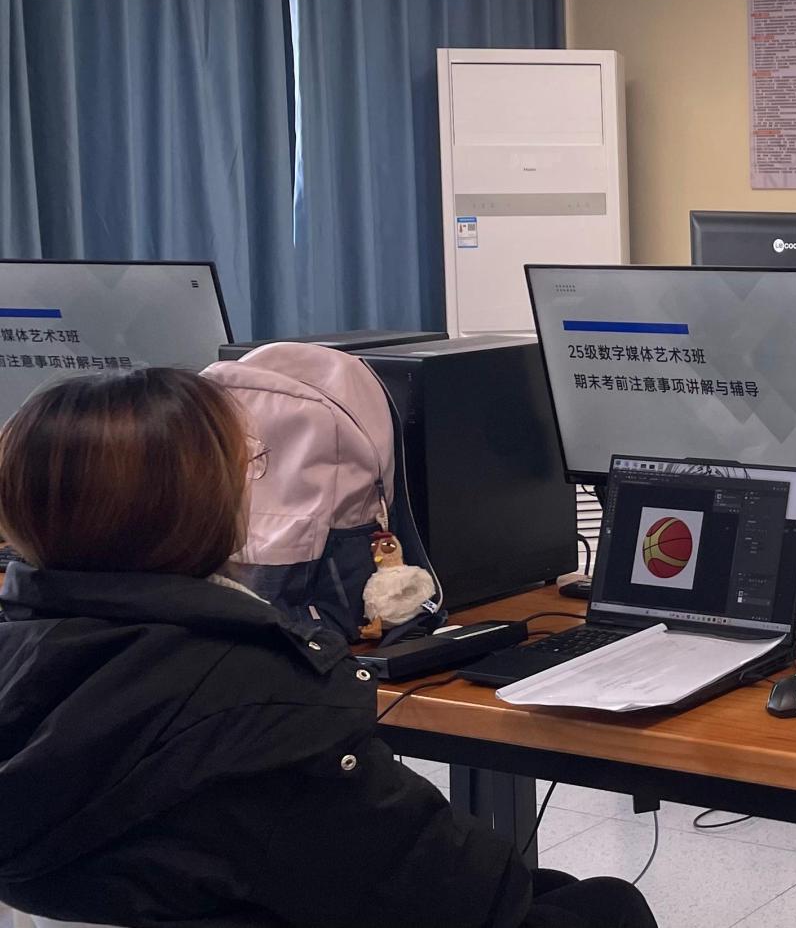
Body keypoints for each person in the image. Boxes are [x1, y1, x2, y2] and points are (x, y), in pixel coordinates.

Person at [0, 368, 655, 928]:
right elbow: (463, 893)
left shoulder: (22, 657)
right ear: (200, 502)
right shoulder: (260, 695)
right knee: (606, 904)